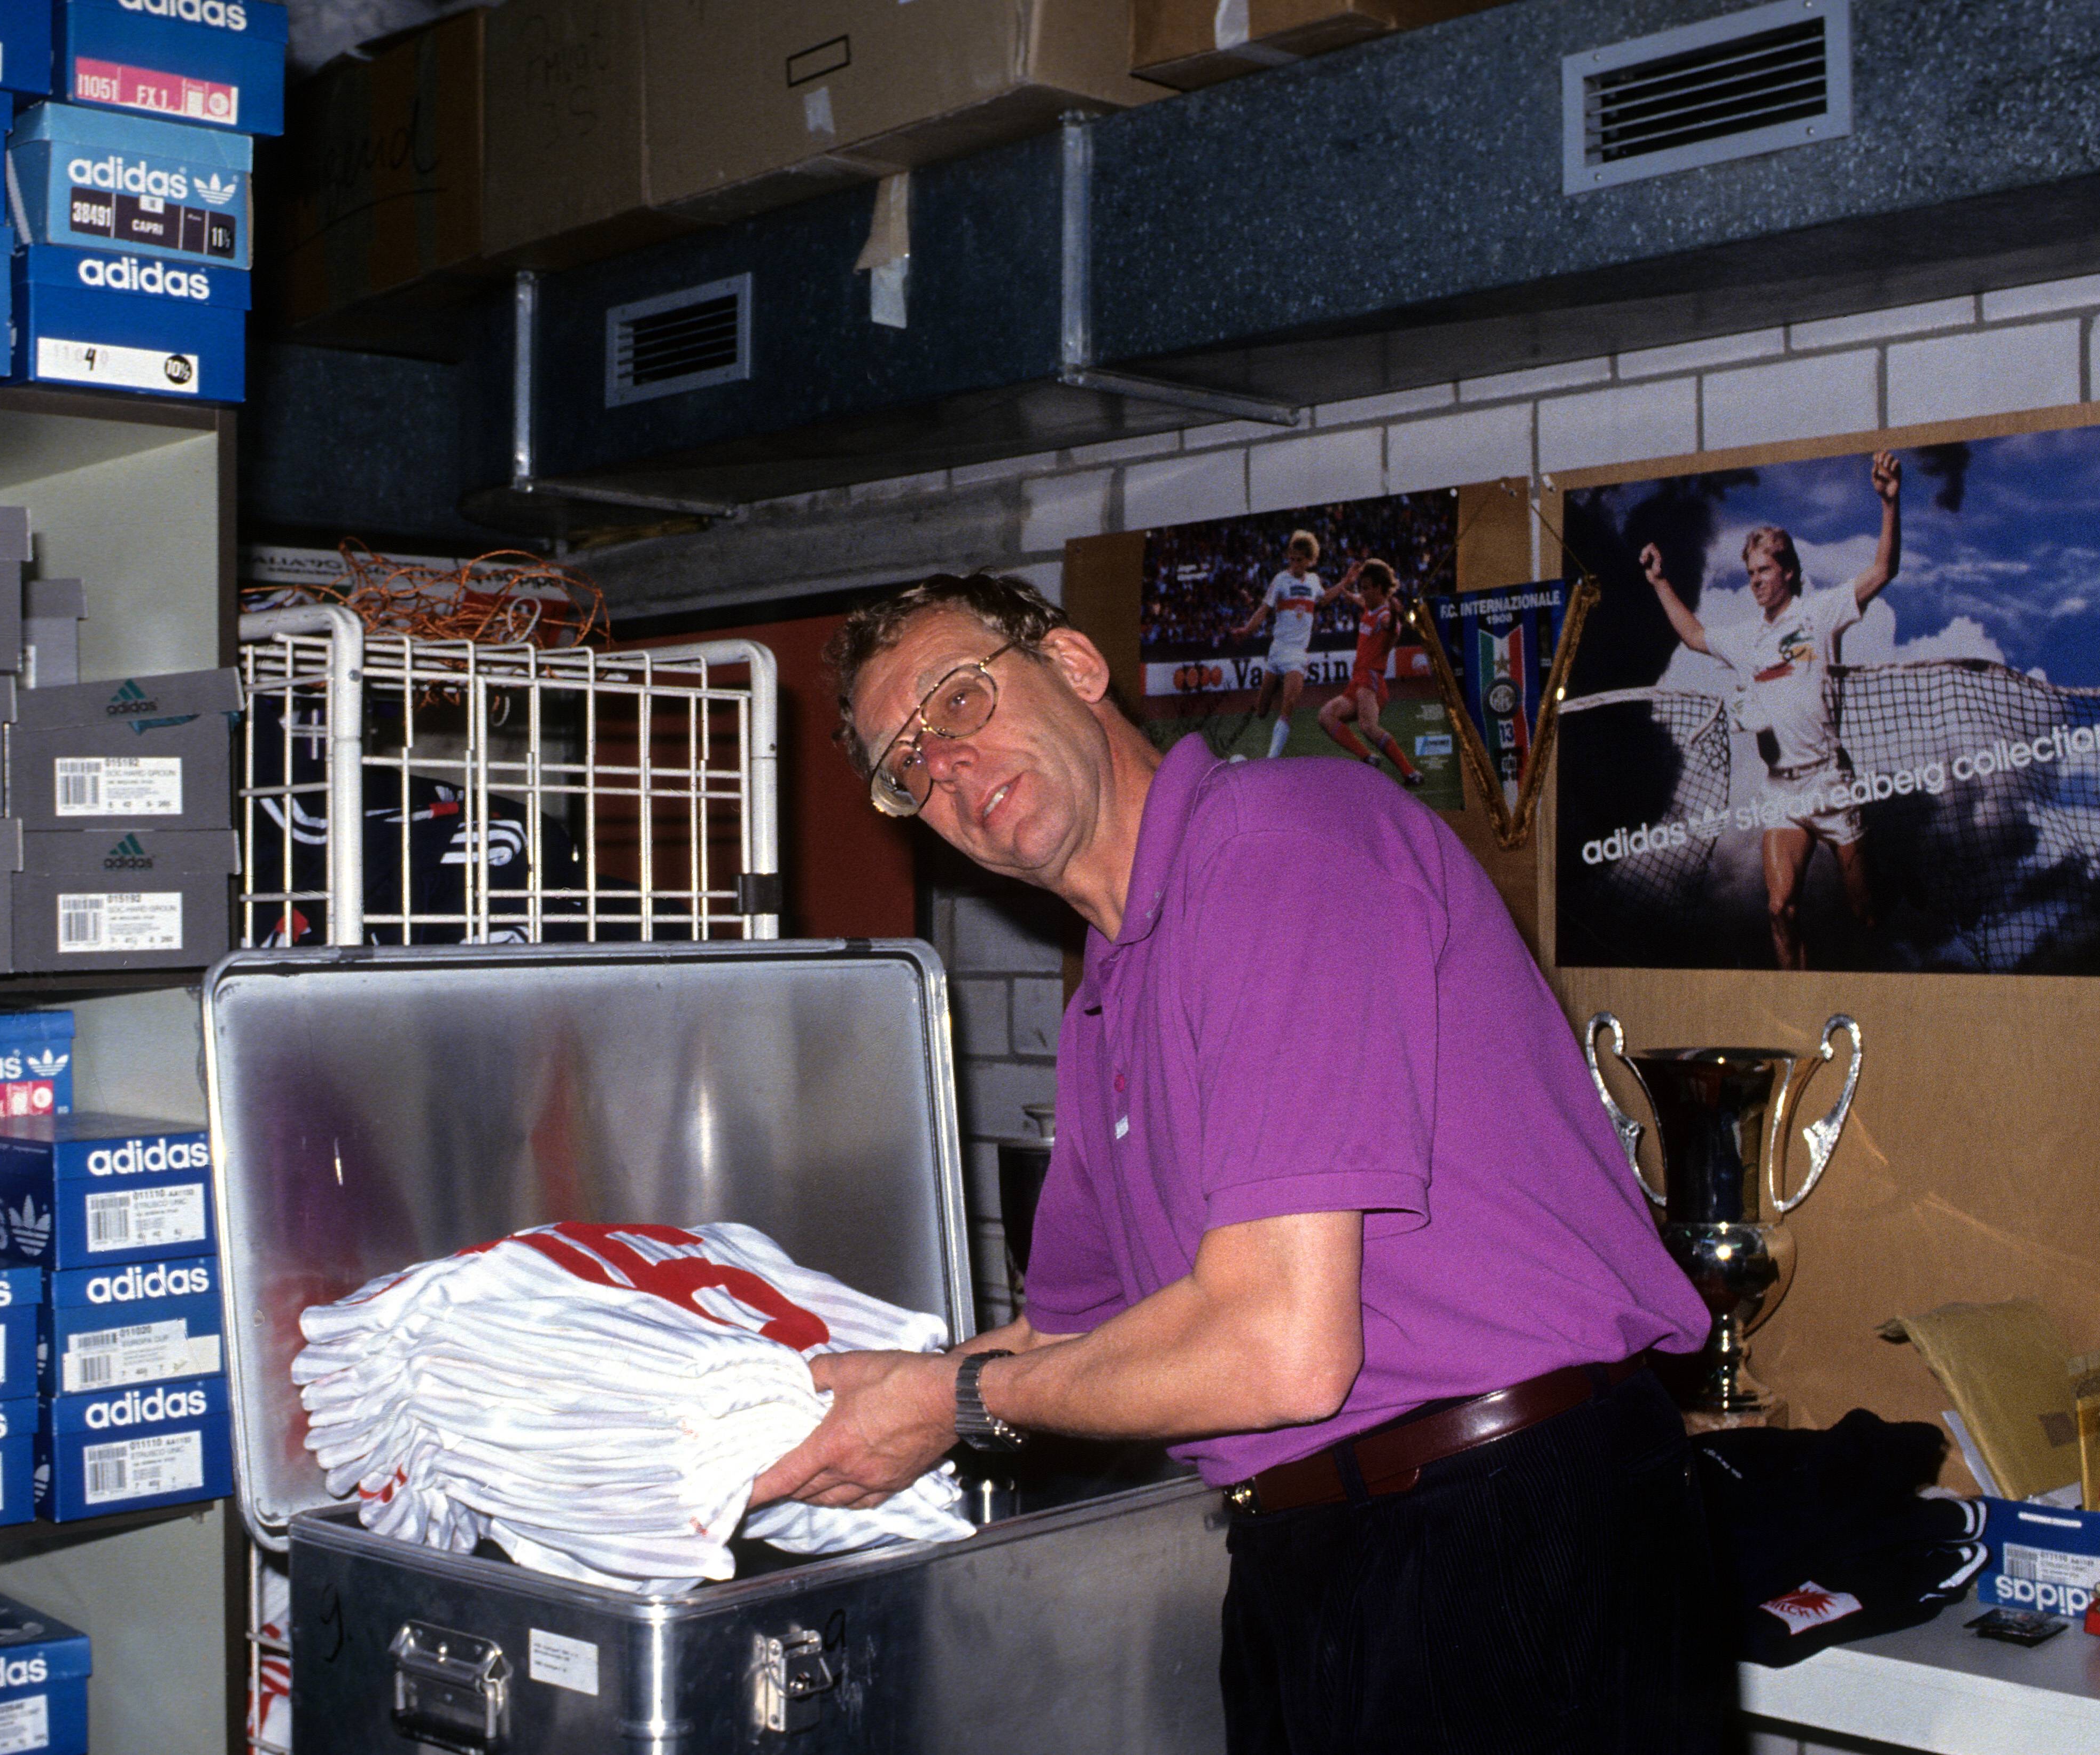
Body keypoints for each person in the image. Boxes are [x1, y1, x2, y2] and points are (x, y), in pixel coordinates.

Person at [758, 571, 1725, 1755]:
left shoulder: (1281, 843)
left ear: (1071, 664)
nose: (943, 768)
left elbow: (1278, 1351)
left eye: (957, 704)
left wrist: (946, 1400)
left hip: (1505, 1532)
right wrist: (808, 1410)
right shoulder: (1108, 996)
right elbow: (1073, 1333)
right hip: (1312, 1554)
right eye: (904, 767)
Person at [1642, 451, 1903, 970]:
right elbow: (1694, 635)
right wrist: (1658, 582)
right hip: (1782, 793)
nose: (1755, 580)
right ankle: (1797, 1009)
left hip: (1830, 782)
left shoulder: (1820, 613)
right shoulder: (1745, 639)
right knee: (1780, 909)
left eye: (1764, 570)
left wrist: (1888, 503)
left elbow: (1882, 569)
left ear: (1787, 571)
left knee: (1867, 913)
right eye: (1750, 572)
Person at [1230, 530, 1343, 761]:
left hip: (1297, 655)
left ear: (1309, 560)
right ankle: (1277, 689)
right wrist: (1247, 630)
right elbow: (1264, 610)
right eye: (1291, 559)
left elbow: (1325, 597)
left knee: (1289, 705)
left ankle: (1272, 760)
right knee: (1261, 711)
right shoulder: (1280, 580)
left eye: (1299, 560)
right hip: (1277, 651)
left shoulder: (1313, 581)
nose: (1294, 564)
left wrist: (1346, 582)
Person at [1315, 557, 1424, 785]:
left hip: (1370, 682)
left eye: (1366, 588)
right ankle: (1368, 757)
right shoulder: (1370, 606)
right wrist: (1347, 589)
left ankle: (1410, 772)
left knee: (1368, 727)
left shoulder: (1385, 615)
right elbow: (1359, 601)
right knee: (1326, 716)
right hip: (1358, 682)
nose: (1362, 593)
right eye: (1361, 588)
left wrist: (1396, 614)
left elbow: (1392, 629)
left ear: (1378, 588)